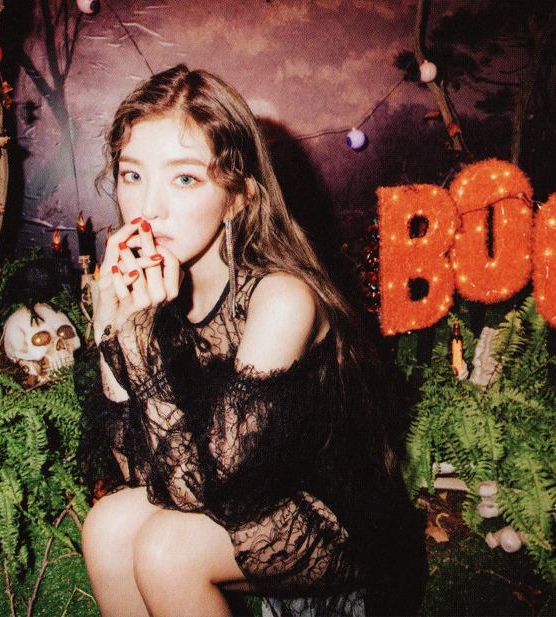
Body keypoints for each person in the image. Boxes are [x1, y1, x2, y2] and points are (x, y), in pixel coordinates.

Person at [74, 64, 425, 617]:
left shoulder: (281, 298)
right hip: (237, 498)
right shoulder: (160, 287)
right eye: (132, 174)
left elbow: (208, 490)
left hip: (342, 523)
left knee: (166, 551)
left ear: (238, 197)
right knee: (107, 526)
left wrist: (137, 338)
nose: (147, 207)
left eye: (184, 179)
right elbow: (137, 472)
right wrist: (109, 327)